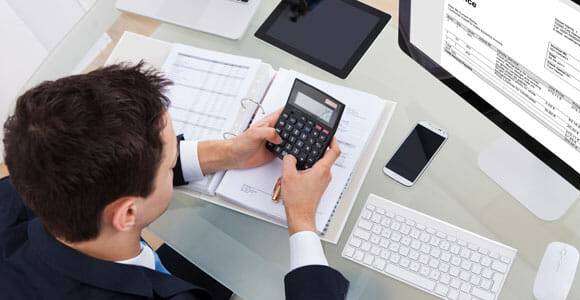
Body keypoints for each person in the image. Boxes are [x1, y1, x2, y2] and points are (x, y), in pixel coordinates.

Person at [0, 63, 349, 299]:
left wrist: (230, 152)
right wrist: (302, 221)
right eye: (169, 164)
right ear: (127, 214)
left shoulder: (35, 172)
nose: (174, 162)